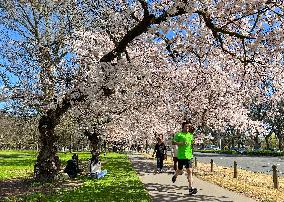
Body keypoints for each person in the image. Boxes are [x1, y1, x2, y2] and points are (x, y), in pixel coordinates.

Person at [171, 122, 197, 195]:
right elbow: (173, 142)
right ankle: (175, 175)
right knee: (180, 170)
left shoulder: (191, 135)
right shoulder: (178, 134)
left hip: (188, 156)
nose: (187, 128)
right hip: (181, 156)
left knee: (190, 171)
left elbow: (192, 143)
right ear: (183, 127)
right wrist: (180, 143)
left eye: (188, 127)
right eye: (186, 126)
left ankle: (190, 188)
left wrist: (194, 144)